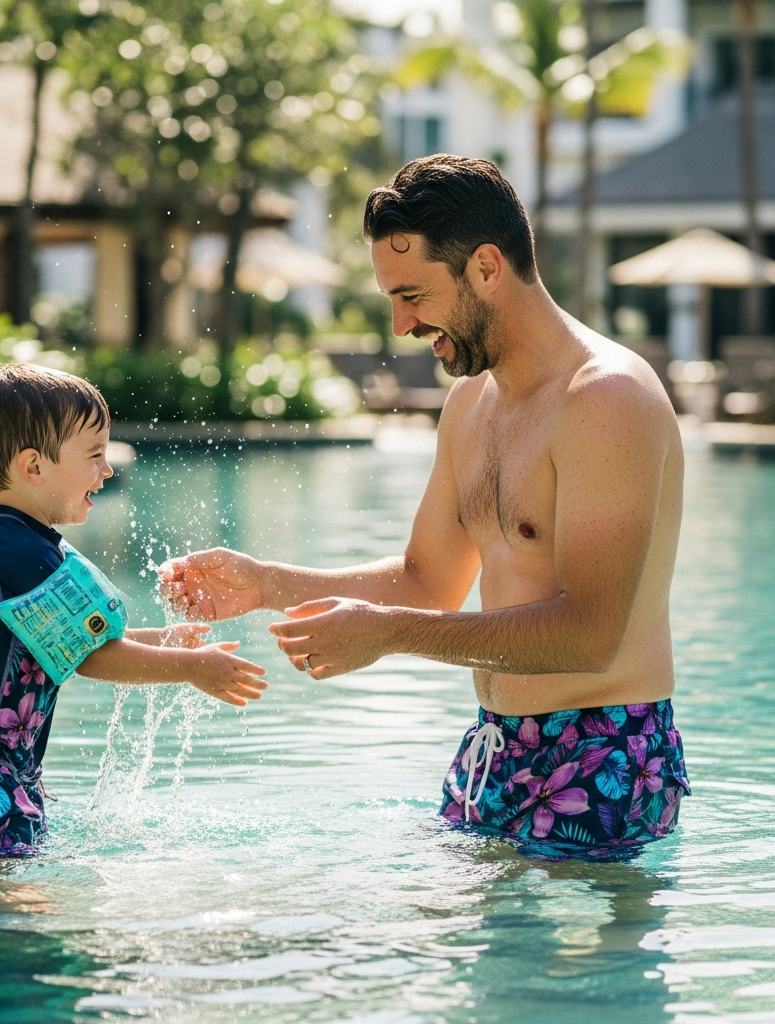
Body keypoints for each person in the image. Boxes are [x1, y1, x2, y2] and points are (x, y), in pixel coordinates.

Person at [160, 155, 689, 856]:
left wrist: (388, 634)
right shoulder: (471, 403)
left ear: (487, 268)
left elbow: (592, 636)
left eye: (412, 294)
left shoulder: (605, 399)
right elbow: (427, 580)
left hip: (604, 755)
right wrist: (267, 584)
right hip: (493, 749)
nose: (401, 322)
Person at [0, 363, 266, 857]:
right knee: (5, 901)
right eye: (95, 455)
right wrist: (190, 666)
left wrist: (165, 641)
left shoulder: (19, 542)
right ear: (34, 467)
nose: (107, 469)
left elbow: (81, 640)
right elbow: (89, 657)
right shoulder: (17, 553)